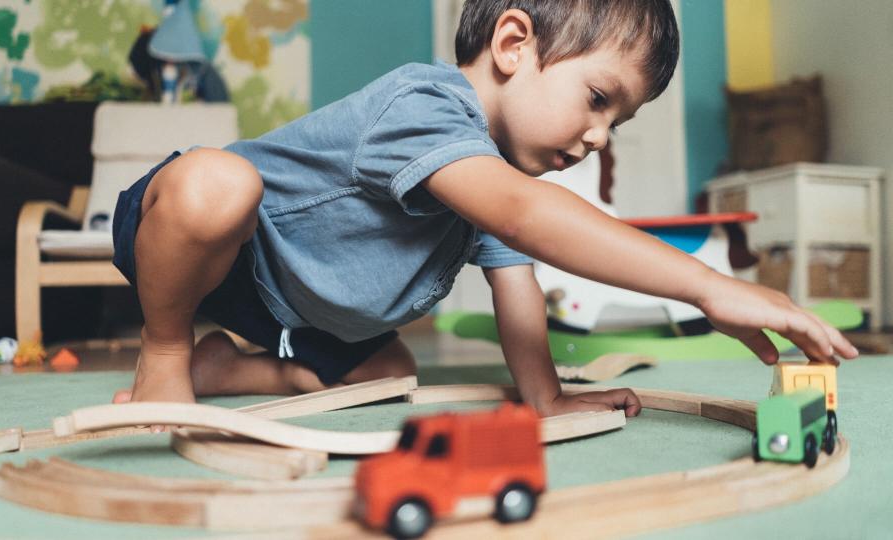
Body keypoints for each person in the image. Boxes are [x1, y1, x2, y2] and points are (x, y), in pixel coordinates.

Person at [110, 0, 857, 423]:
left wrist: (547, 396)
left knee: (388, 373)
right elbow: (529, 216)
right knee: (217, 183)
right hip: (212, 246)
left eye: (617, 123)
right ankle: (169, 350)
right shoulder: (427, 105)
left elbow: (517, 289)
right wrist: (705, 284)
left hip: (291, 313)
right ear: (511, 43)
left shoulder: (492, 181)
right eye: (598, 99)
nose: (599, 137)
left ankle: (227, 370)